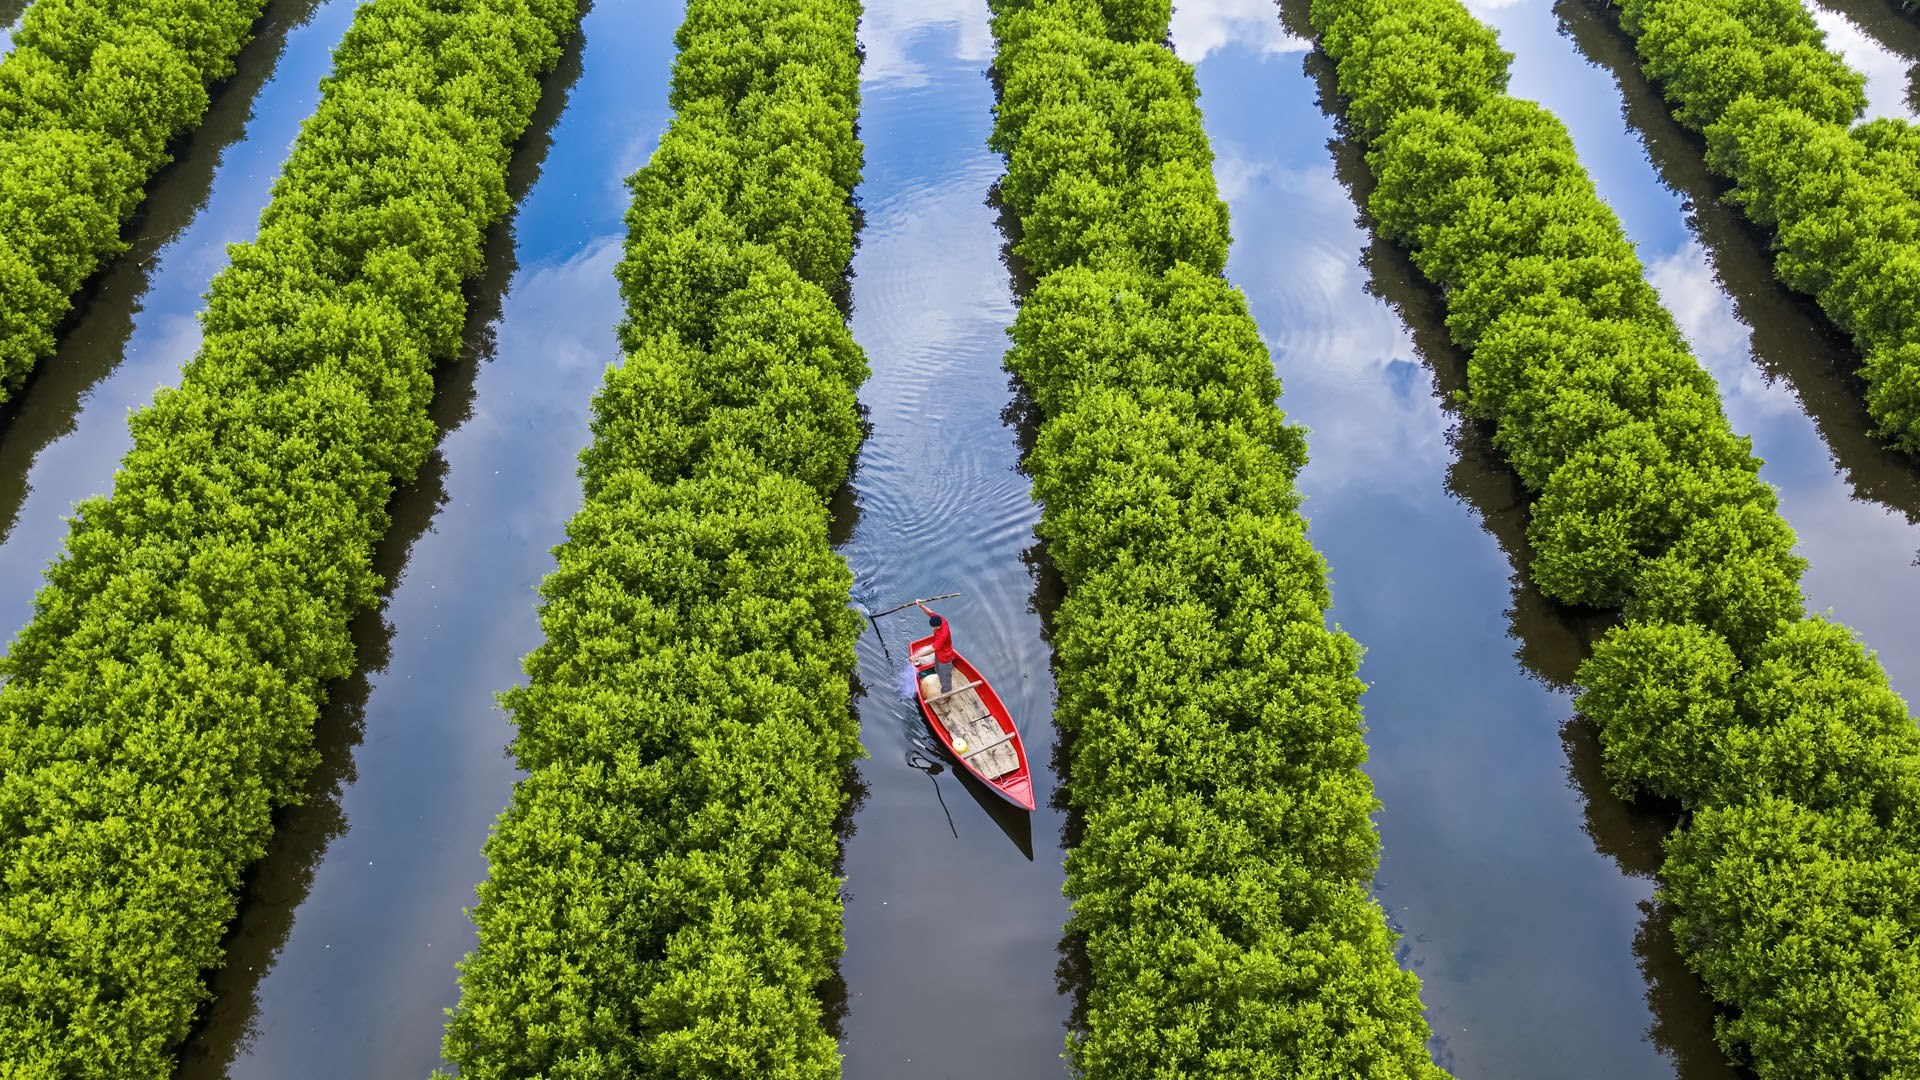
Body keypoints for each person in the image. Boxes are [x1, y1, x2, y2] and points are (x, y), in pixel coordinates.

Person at [918, 602, 957, 694]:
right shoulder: (941, 619)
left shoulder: (942, 635)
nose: (933, 629)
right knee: (938, 670)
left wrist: (916, 656)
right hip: (939, 654)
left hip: (945, 657)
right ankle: (941, 678)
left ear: (938, 625)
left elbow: (932, 649)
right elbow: (930, 613)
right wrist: (921, 606)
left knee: (945, 678)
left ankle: (947, 693)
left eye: (935, 628)